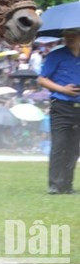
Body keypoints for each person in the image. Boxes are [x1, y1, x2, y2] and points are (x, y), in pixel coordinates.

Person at [37, 28, 80, 195]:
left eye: (73, 35)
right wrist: (63, 89)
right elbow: (42, 79)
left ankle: (67, 185)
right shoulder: (56, 55)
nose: (68, 38)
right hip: (61, 106)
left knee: (74, 148)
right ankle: (54, 185)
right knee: (59, 145)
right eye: (66, 35)